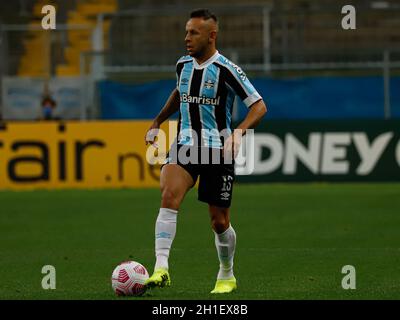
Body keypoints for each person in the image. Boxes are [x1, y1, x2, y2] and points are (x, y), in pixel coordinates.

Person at [144, 8, 267, 294]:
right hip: (185, 146)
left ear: (211, 36)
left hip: (217, 151)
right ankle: (161, 268)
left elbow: (259, 106)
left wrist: (238, 133)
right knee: (168, 196)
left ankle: (227, 273)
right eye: (186, 31)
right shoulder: (182, 65)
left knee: (219, 221)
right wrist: (158, 121)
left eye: (194, 33)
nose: (187, 38)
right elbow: (179, 92)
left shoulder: (227, 69)